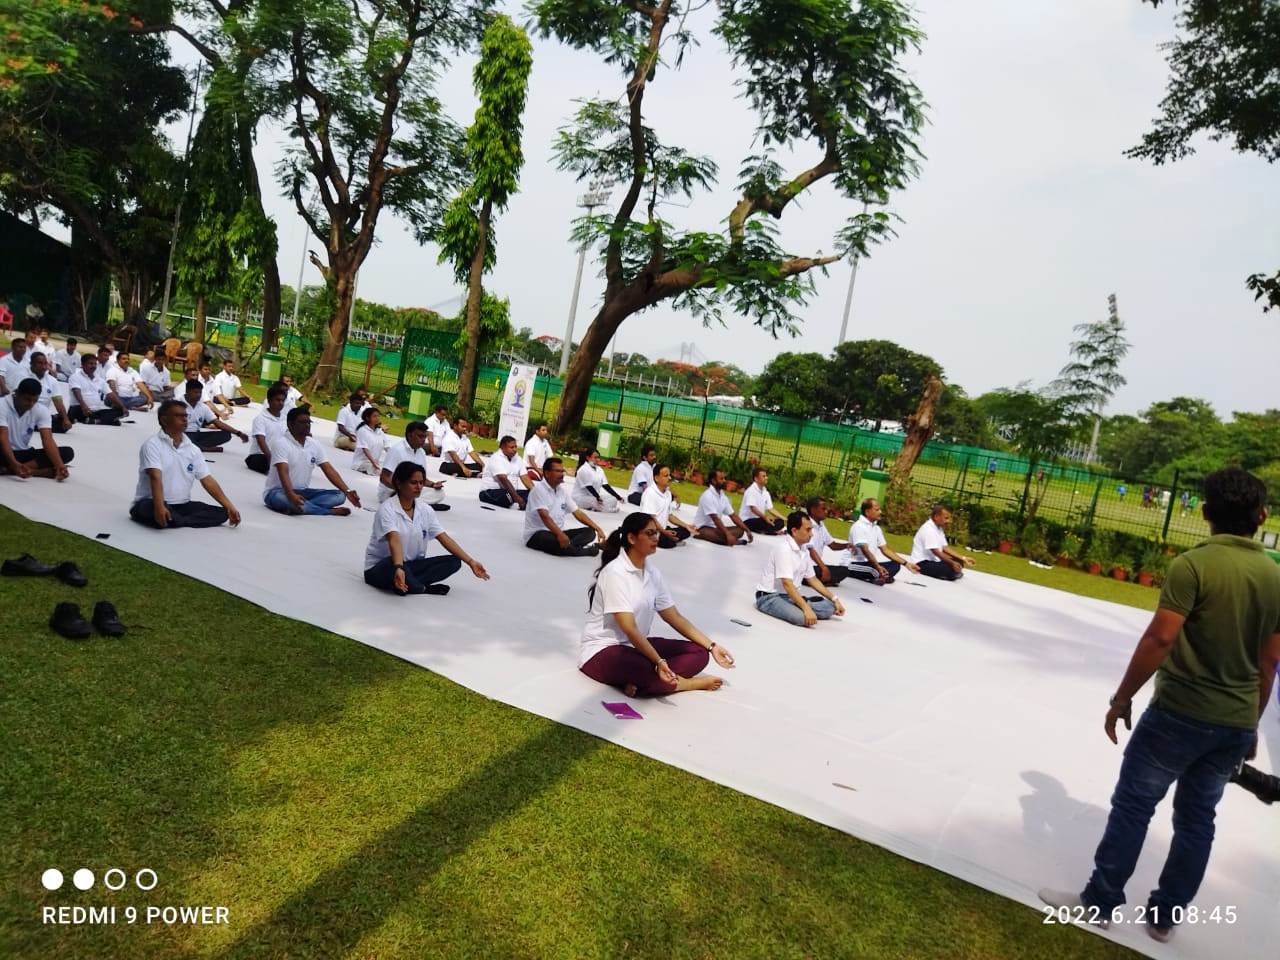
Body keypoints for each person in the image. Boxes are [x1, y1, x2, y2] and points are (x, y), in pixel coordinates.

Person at [1039, 467, 1280, 943]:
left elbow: (1161, 637)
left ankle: (1100, 902)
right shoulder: (1275, 577)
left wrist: (1122, 697)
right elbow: (1270, 662)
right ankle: (1164, 918)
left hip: (1178, 714)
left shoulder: (1192, 566)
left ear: (1206, 513)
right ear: (1262, 516)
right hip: (1232, 721)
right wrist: (1250, 723)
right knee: (1198, 820)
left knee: (1134, 806)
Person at [579, 511, 736, 697]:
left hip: (636, 647)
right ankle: (685, 683)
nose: (656, 538)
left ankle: (640, 682)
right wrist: (659, 662)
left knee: (699, 653)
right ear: (631, 538)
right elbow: (629, 628)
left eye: (656, 533)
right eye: (649, 533)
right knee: (646, 667)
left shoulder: (653, 574)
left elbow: (674, 617)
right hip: (603, 651)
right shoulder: (615, 573)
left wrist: (712, 646)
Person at [364, 461, 488, 596]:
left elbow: (443, 537)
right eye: (413, 483)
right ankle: (420, 587)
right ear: (399, 483)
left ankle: (406, 583)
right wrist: (399, 567)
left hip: (411, 566)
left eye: (421, 483)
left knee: (454, 562)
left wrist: (470, 562)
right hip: (382, 567)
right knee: (392, 564)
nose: (419, 487)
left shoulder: (425, 510)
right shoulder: (387, 509)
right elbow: (394, 539)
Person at [129, 400, 241, 529]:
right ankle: (171, 517)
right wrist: (159, 507)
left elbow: (207, 480)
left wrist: (230, 506)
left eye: (185, 416)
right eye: (178, 416)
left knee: (222, 513)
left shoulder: (193, 449)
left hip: (182, 505)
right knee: (147, 509)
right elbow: (155, 477)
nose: (184, 419)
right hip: (151, 502)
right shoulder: (152, 445)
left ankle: (175, 519)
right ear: (164, 420)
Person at [753, 511, 845, 627]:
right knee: (802, 618)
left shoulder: (804, 550)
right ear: (795, 531)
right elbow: (787, 584)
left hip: (789, 596)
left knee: (829, 607)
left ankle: (802, 604)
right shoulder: (784, 549)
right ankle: (803, 605)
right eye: (808, 530)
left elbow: (813, 579)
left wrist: (834, 599)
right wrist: (806, 608)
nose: (811, 534)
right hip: (769, 598)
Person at [263, 407, 362, 516]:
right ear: (290, 424)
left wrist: (347, 491)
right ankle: (328, 511)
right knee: (281, 498)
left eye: (309, 422)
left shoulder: (314, 444)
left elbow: (328, 469)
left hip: (303, 492)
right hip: (278, 492)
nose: (307, 425)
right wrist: (291, 494)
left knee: (340, 496)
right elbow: (283, 472)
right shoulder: (281, 443)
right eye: (302, 422)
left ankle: (299, 507)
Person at [524, 457, 606, 556]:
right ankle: (583, 551)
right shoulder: (538, 490)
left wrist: (598, 528)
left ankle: (566, 547)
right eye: (558, 471)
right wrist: (560, 535)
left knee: (590, 532)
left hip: (558, 533)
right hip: (537, 534)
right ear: (547, 473)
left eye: (562, 471)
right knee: (552, 540)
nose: (562, 474)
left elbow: (578, 513)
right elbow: (545, 517)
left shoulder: (562, 491)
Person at [0, 378, 73, 480]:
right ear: (17, 394)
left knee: (67, 452)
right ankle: (36, 471)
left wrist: (59, 466)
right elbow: (2, 437)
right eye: (27, 399)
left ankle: (11, 470)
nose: (31, 404)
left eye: (35, 400)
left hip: (23, 453)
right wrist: (14, 463)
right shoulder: (2, 405)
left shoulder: (41, 410)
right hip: (3, 451)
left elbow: (48, 440)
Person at [844, 497, 919, 585]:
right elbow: (865, 551)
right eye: (877, 510)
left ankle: (881, 576)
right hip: (852, 564)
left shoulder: (876, 528)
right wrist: (878, 567)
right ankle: (881, 576)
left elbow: (885, 549)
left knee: (896, 565)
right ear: (867, 512)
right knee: (874, 569)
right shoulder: (859, 527)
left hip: (869, 564)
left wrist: (906, 564)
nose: (880, 512)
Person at [379, 421, 448, 509]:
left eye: (424, 436)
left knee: (439, 493)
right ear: (409, 435)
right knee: (410, 492)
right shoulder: (397, 450)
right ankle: (418, 504)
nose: (423, 440)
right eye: (420, 436)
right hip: (392, 491)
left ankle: (413, 503)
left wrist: (433, 484)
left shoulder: (421, 452)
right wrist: (400, 489)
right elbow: (384, 477)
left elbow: (421, 478)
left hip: (410, 489)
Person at [179, 378, 247, 452]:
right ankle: (202, 448)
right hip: (181, 433)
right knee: (182, 438)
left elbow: (218, 423)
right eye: (195, 392)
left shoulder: (203, 406)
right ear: (187, 391)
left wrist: (238, 433)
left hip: (196, 434)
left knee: (226, 435)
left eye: (200, 392)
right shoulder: (177, 404)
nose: (198, 395)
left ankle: (195, 446)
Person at [909, 505, 975, 581]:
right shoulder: (928, 529)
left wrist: (963, 558)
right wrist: (952, 563)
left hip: (933, 560)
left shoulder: (939, 528)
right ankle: (948, 573)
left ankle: (950, 572)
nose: (949, 521)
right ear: (936, 517)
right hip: (921, 563)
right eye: (946, 518)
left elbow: (945, 548)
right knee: (950, 567)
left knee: (959, 562)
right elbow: (936, 552)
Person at [693, 469, 753, 546]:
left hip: (717, 529)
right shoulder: (707, 496)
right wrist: (728, 534)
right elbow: (715, 519)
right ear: (714, 481)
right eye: (721, 479)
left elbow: (733, 515)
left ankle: (727, 539)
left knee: (740, 530)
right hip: (702, 529)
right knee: (717, 534)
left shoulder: (723, 496)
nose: (724, 481)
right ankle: (730, 540)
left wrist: (747, 530)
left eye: (724, 478)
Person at [641, 464, 695, 548]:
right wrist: (664, 532)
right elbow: (650, 519)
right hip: (651, 531)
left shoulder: (668, 493)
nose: (669, 478)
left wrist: (686, 525)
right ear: (656, 478)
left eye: (669, 475)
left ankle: (671, 538)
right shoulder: (650, 493)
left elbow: (669, 516)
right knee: (667, 543)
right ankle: (669, 539)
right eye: (666, 476)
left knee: (686, 531)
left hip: (663, 529)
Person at [802, 497, 853, 586]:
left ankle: (820, 580)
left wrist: (847, 545)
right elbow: (811, 551)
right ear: (813, 510)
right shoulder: (806, 524)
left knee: (844, 570)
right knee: (820, 571)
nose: (826, 511)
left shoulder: (821, 525)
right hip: (807, 566)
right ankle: (815, 580)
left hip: (817, 566)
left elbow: (832, 545)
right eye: (823, 509)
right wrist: (824, 567)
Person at [67, 355, 124, 425]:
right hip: (80, 408)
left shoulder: (100, 380)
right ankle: (105, 420)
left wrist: (123, 407)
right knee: (76, 410)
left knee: (120, 411)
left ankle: (95, 420)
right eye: (90, 364)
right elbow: (76, 392)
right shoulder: (75, 377)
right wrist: (84, 406)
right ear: (82, 365)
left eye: (95, 364)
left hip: (96, 411)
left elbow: (111, 395)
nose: (93, 366)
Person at [245, 383, 288, 473]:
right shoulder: (260, 419)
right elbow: (261, 442)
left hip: (278, 456)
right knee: (267, 463)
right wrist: (272, 460)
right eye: (278, 400)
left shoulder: (285, 419)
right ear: (269, 401)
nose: (281, 403)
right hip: (260, 456)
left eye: (283, 401)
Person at [478, 434, 531, 509]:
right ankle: (520, 502)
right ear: (503, 447)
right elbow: (503, 479)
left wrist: (535, 492)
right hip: (490, 492)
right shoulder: (496, 458)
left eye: (516, 447)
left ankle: (523, 502)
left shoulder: (518, 459)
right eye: (512, 447)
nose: (515, 449)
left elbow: (525, 477)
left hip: (511, 491)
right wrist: (517, 498)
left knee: (532, 494)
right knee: (507, 497)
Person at [26, 352, 72, 434]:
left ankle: (39, 425)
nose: (44, 366)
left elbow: (58, 402)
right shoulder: (24, 376)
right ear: (31, 364)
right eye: (40, 363)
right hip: (25, 414)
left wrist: (65, 419)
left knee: (66, 421)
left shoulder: (52, 380)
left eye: (45, 363)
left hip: (42, 416)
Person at [572, 448, 624, 513]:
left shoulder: (599, 469)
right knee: (595, 501)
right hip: (580, 498)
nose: (598, 460)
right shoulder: (583, 469)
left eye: (598, 458)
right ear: (588, 458)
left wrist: (618, 497)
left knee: (613, 499)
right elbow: (589, 487)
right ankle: (605, 509)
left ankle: (597, 508)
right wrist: (598, 497)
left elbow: (605, 485)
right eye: (595, 457)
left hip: (594, 497)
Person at [739, 466, 786, 534]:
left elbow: (770, 509)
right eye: (763, 476)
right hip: (747, 520)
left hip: (761, 519)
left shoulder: (765, 492)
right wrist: (765, 518)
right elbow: (753, 509)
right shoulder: (751, 490)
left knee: (780, 522)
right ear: (756, 479)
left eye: (766, 476)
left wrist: (783, 518)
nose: (766, 478)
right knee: (761, 522)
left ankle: (768, 530)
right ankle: (770, 530)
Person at [352, 406, 389, 476]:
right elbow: (365, 449)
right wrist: (374, 464)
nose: (377, 418)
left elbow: (387, 447)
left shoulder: (380, 431)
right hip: (361, 462)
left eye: (378, 416)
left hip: (374, 462)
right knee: (378, 471)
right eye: (374, 416)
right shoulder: (362, 430)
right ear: (367, 418)